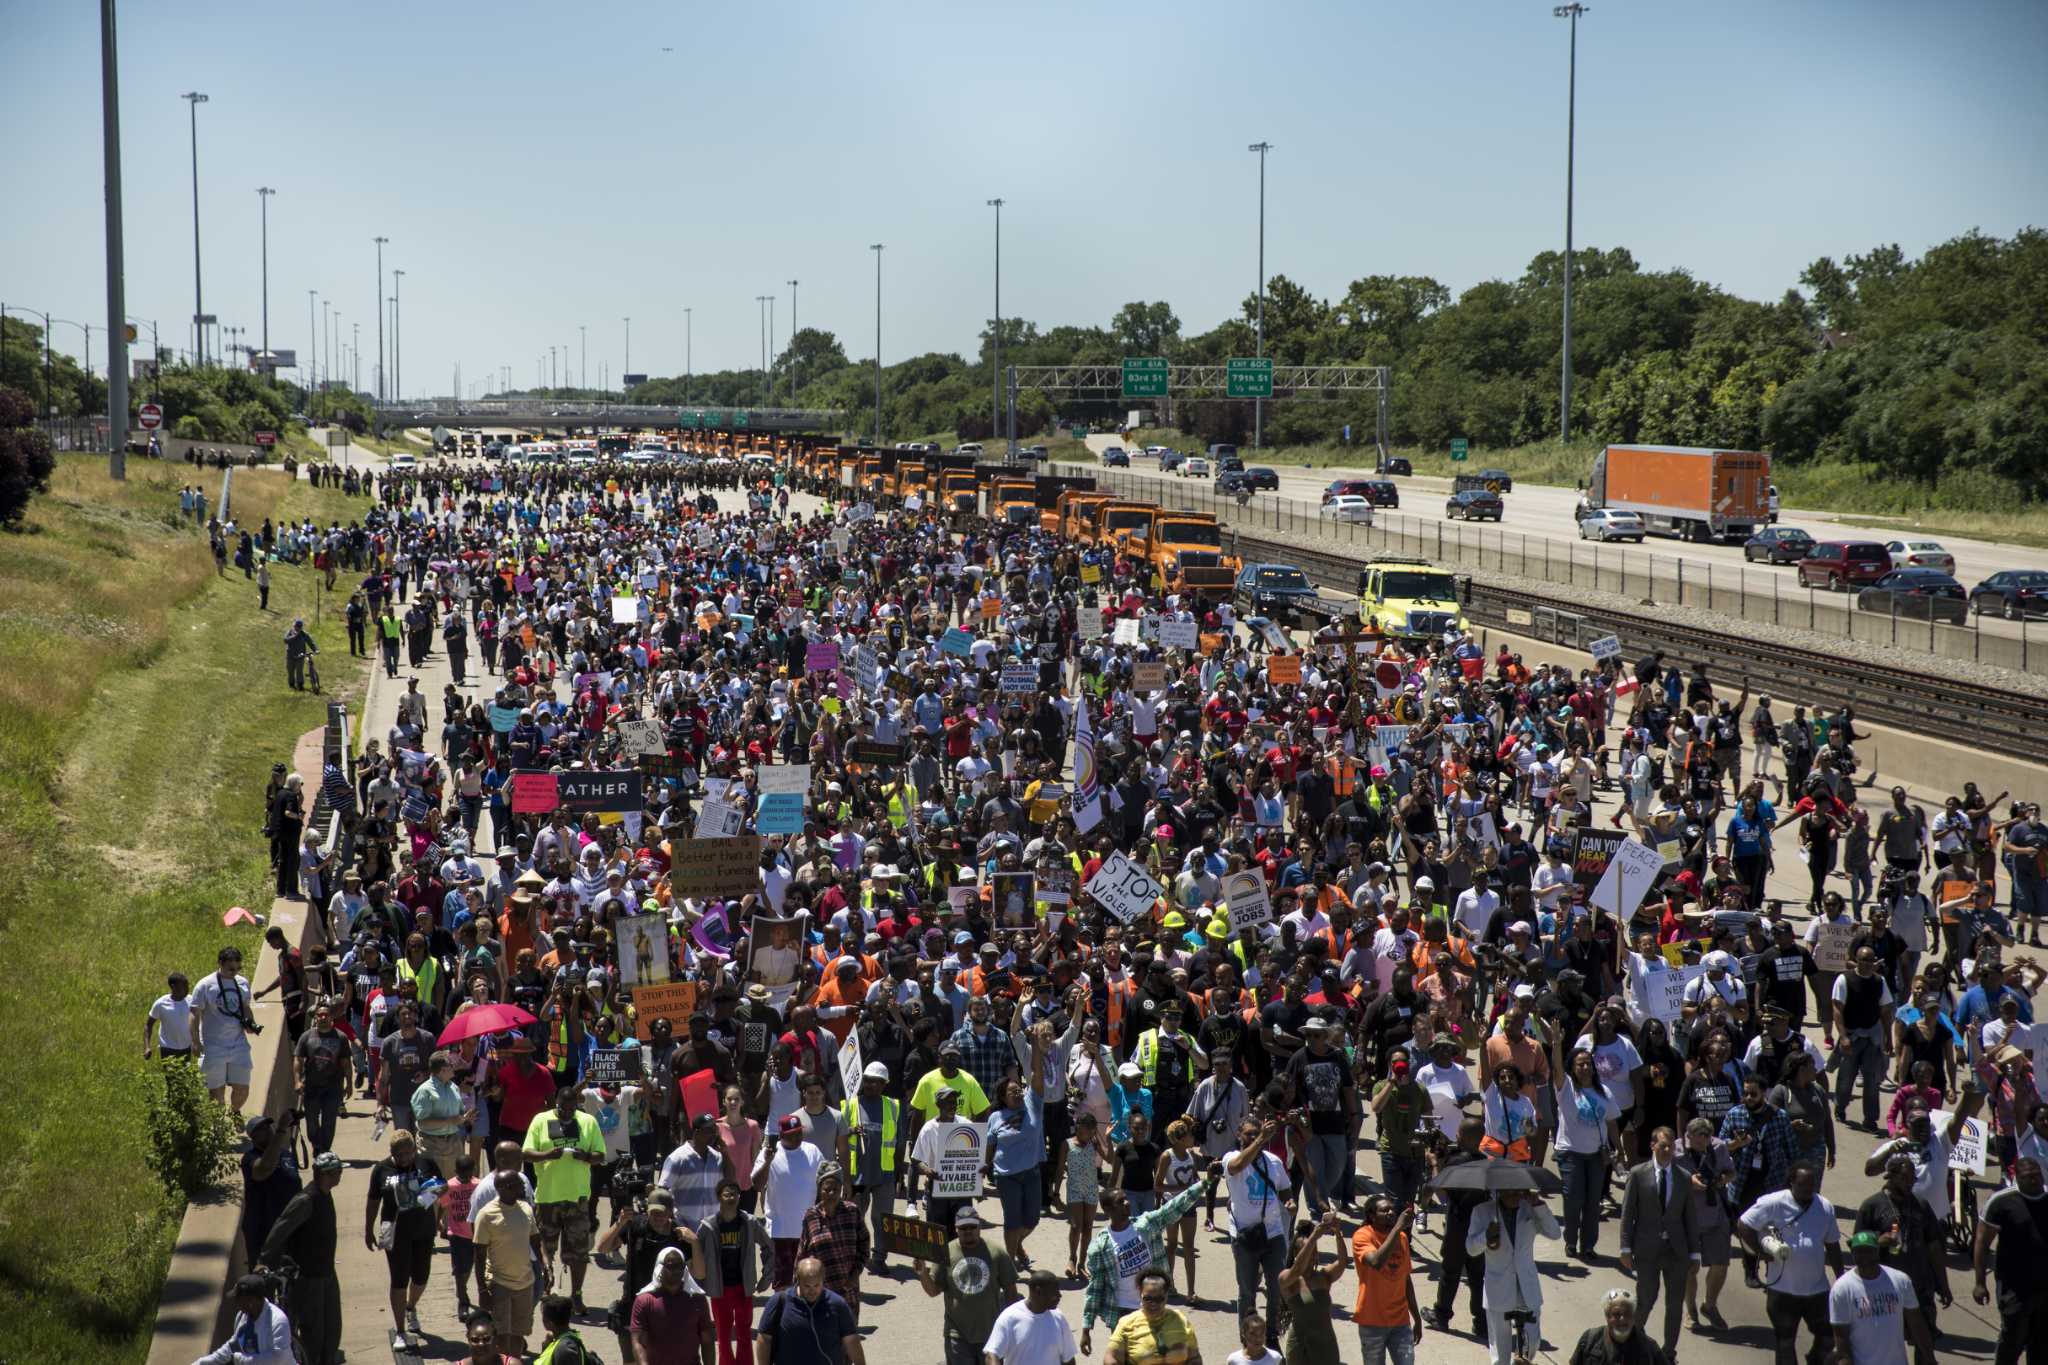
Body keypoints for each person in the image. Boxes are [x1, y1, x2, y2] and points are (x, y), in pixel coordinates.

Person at [1078, 1166, 1220, 1353]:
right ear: (1107, 1209)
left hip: (1152, 1305)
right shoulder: (1100, 1247)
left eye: (1126, 1199)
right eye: (1121, 1201)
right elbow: (1095, 1288)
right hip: (1122, 1312)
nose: (1127, 1203)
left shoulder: (1145, 1224)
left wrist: (1205, 1182)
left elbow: (1176, 1205)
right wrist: (1086, 1329)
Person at [1736, 1160, 1843, 1365]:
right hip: (1783, 1290)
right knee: (1785, 1342)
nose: (1808, 1190)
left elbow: (1833, 1245)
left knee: (1829, 1336)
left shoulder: (1825, 1206)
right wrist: (1759, 1253)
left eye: (1812, 1185)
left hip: (1817, 1289)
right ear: (1791, 1182)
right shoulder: (1774, 1202)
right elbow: (1744, 1224)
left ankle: (1814, 1359)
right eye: (1803, 1185)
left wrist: (1841, 1279)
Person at [1617, 1126, 1699, 1362]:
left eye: (1671, 1146)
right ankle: (1634, 1343)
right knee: (1645, 1300)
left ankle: (1668, 1353)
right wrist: (1625, 1248)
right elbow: (1627, 1213)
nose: (1667, 1150)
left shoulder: (1683, 1177)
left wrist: (1694, 1254)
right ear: (1652, 1146)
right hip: (1646, 1250)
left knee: (1674, 1306)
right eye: (1663, 1145)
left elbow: (1690, 1218)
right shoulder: (1638, 1173)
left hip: (1676, 1251)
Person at [524, 1084, 608, 1313]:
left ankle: (577, 1295)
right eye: (563, 1109)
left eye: (572, 1109)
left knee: (579, 1253)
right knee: (544, 1249)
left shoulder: (587, 1122)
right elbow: (527, 1153)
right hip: (548, 1198)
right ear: (556, 1103)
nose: (568, 1113)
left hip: (577, 1198)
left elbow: (601, 1155)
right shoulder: (541, 1120)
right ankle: (545, 1292)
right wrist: (547, 1155)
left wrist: (586, 1156)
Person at [258, 1150, 344, 1365]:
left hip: (326, 1273)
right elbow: (280, 1230)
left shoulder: (325, 1194)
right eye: (335, 1172)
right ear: (322, 1174)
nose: (339, 1176)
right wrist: (264, 1261)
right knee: (313, 1335)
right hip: (308, 1278)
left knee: (332, 1330)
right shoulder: (305, 1200)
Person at [365, 1128, 445, 1348]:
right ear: (392, 1152)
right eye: (399, 1155)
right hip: (392, 1229)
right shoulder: (381, 1170)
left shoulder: (426, 1163)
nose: (404, 1158)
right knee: (399, 1279)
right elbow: (373, 1200)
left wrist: (433, 1196)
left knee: (421, 1276)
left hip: (423, 1228)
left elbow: (442, 1186)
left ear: (414, 1149)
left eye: (408, 1153)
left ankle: (411, 1307)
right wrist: (368, 1228)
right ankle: (400, 1330)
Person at [912, 1204, 1018, 1365]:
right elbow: (933, 1291)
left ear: (979, 1227)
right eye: (963, 1228)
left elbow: (1011, 1292)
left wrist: (1012, 1328)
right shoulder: (946, 1252)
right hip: (957, 1335)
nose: (968, 1231)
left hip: (991, 1335)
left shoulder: (996, 1252)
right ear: (956, 1229)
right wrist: (922, 1274)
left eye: (972, 1227)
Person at [1467, 1187, 1560, 1365]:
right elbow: (1471, 1248)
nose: (1514, 1197)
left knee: (1531, 1342)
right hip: (1498, 1288)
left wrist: (1538, 1205)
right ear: (1499, 1191)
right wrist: (1486, 1237)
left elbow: (1555, 1233)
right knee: (1500, 1351)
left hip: (1526, 1286)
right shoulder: (1482, 1212)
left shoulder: (1530, 1208)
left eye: (1518, 1192)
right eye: (1509, 1192)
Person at [1973, 1154, 2048, 1365]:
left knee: (2042, 1341)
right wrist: (1979, 1282)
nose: (2035, 1180)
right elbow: (1981, 1244)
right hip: (2014, 1287)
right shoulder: (2001, 1202)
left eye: (2037, 1176)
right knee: (2013, 1337)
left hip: (2045, 1287)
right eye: (2028, 1177)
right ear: (2017, 1177)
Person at [1223, 1116, 1293, 1340]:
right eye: (1249, 1133)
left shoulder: (1273, 1161)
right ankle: (1248, 1335)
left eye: (1257, 1133)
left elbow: (1284, 1189)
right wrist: (1261, 1139)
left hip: (1273, 1234)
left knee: (1276, 1287)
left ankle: (1271, 1333)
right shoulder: (1231, 1158)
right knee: (1247, 1290)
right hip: (1244, 1235)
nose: (1253, 1137)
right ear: (1239, 1135)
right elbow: (1237, 1167)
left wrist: (1289, 1202)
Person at [1829, 1229, 1936, 1365]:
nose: (1865, 1257)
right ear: (1852, 1253)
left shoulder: (1900, 1280)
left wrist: (1929, 1358)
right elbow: (1841, 1341)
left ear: (1877, 1252)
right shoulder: (1842, 1289)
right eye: (1859, 1252)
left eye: (1869, 1251)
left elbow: (1917, 1324)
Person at [837, 1060, 903, 1275]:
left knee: (883, 1220)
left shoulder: (893, 1106)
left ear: (884, 1084)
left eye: (876, 1082)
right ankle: (857, 1255)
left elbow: (900, 1142)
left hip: (884, 1175)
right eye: (867, 1081)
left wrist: (899, 1173)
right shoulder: (849, 1105)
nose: (871, 1085)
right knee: (855, 1218)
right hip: (857, 1175)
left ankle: (879, 1258)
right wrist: (850, 1131)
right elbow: (838, 1136)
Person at [695, 1179, 771, 1365]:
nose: (732, 1198)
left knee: (744, 1332)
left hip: (743, 1286)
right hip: (720, 1289)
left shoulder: (749, 1222)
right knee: (723, 1334)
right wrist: (702, 1284)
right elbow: (695, 1256)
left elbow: (769, 1247)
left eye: (735, 1194)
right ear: (719, 1197)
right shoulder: (707, 1226)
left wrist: (767, 1276)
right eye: (727, 1194)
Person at [473, 1169, 545, 1357]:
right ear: (501, 1188)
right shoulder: (486, 1215)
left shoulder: (526, 1209)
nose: (521, 1189)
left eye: (520, 1185)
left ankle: (514, 1361)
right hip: (499, 1283)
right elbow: (479, 1255)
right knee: (501, 1335)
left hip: (525, 1282)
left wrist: (546, 1268)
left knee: (518, 1333)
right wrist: (482, 1290)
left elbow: (535, 1240)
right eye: (515, 1186)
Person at [1350, 1196, 1422, 1365]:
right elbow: (1376, 1261)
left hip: (1400, 1321)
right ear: (1372, 1216)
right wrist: (1398, 1227)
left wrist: (1417, 1318)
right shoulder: (1362, 1236)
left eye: (1392, 1210)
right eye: (1384, 1210)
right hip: (1372, 1321)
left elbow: (1406, 1280)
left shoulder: (1402, 1238)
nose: (1391, 1213)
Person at [754, 1255, 865, 1365]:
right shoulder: (779, 1302)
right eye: (807, 1286)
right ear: (798, 1281)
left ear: (823, 1281)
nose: (812, 1291)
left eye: (816, 1285)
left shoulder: (837, 1304)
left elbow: (851, 1340)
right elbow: (764, 1339)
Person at [794, 1162, 868, 1321]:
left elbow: (864, 1244)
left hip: (848, 1291)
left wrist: (856, 1273)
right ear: (819, 1190)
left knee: (848, 1341)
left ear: (841, 1189)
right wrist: (796, 1290)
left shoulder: (852, 1212)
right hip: (819, 1294)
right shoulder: (811, 1216)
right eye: (827, 1189)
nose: (831, 1194)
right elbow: (802, 1254)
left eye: (836, 1189)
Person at [192, 945, 259, 1112]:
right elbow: (194, 1013)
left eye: (238, 968)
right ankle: (219, 1126)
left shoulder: (242, 982)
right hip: (213, 1046)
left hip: (238, 1044)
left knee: (242, 1088)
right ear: (220, 963)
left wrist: (250, 1023)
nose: (235, 972)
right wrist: (194, 1041)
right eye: (230, 969)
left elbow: (245, 1007)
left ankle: (235, 1111)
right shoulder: (205, 985)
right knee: (216, 1093)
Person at [628, 1247, 714, 1365]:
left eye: (680, 1266)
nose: (676, 1270)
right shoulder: (644, 1301)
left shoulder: (697, 1299)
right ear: (660, 1268)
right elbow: (638, 1343)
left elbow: (707, 1340)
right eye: (671, 1266)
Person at [191, 1273, 295, 1365]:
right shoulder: (242, 1316)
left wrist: (241, 1360)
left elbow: (279, 1359)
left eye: (238, 1299)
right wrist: (200, 1363)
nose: (236, 1304)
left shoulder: (277, 1320)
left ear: (251, 1301)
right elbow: (231, 1348)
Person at [1104, 1268, 1202, 1365]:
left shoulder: (1180, 1320)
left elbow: (1195, 1357)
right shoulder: (1126, 1323)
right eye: (1148, 1299)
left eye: (1159, 1299)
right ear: (1140, 1294)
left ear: (1166, 1296)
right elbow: (1111, 1356)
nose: (1153, 1304)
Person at [983, 1268, 1077, 1365]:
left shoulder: (1058, 1317)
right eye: (1055, 1293)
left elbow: (1069, 1358)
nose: (1059, 1296)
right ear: (1038, 1292)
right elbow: (992, 1355)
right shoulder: (1010, 1317)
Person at [1565, 1289, 1668, 1365]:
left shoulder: (1649, 1348)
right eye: (1616, 1314)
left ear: (1633, 1317)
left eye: (1627, 1313)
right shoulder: (1590, 1339)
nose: (1622, 1319)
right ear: (1607, 1316)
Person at [147, 972, 194, 1060]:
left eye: (187, 986)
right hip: (167, 1048)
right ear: (173, 987)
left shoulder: (191, 1000)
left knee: (185, 1074)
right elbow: (148, 1025)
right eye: (183, 987)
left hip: (186, 1047)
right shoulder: (161, 1004)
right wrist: (147, 1047)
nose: (187, 989)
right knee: (170, 1073)